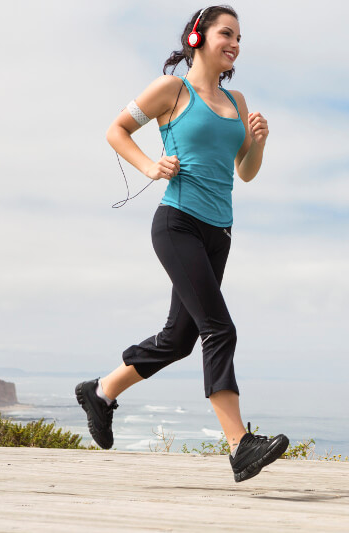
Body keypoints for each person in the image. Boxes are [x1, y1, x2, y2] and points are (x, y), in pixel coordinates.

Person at [75, 5, 289, 483]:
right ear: (199, 37)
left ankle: (102, 391)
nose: (235, 43)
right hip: (178, 224)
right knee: (219, 329)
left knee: (179, 340)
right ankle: (239, 446)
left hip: (220, 232)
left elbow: (245, 173)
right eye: (226, 33)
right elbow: (117, 130)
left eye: (239, 37)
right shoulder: (172, 89)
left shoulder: (237, 101)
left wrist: (258, 142)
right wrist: (151, 166)